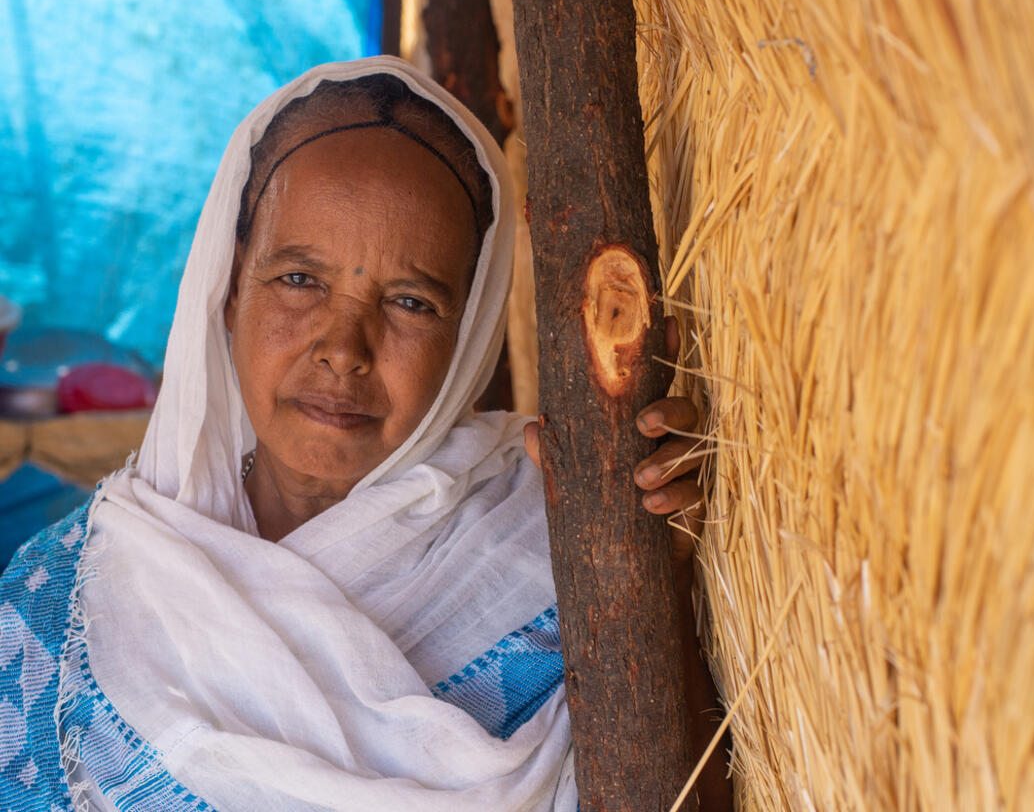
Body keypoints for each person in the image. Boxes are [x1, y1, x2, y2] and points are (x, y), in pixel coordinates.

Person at [0, 57, 726, 810]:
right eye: (299, 280)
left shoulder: (556, 527)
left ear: (469, 331)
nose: (344, 347)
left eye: (411, 302)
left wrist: (647, 573)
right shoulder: (71, 603)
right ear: (228, 289)